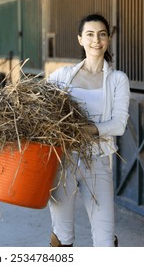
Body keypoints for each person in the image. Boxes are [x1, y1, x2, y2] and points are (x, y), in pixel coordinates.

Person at [47, 14, 130, 247]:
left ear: (109, 39)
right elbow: (40, 107)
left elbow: (119, 124)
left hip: (98, 162)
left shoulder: (117, 80)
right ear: (80, 40)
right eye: (90, 34)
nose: (96, 40)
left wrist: (88, 129)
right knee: (62, 237)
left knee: (104, 239)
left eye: (102, 34)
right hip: (63, 162)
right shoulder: (62, 76)